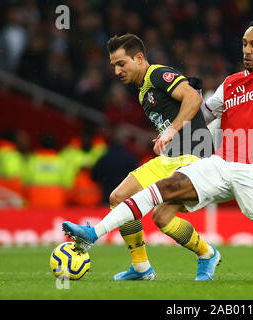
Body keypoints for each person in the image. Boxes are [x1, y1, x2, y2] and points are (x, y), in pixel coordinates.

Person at [63, 15, 253, 283]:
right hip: (220, 163)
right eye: (245, 44)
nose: (247, 50)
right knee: (162, 194)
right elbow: (204, 116)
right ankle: (95, 233)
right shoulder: (231, 83)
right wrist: (190, 99)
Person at [89, 33, 215, 281]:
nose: (116, 71)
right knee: (119, 197)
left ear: (138, 58)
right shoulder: (141, 91)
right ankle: (141, 267)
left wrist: (171, 130)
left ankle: (207, 254)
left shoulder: (157, 74)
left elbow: (193, 98)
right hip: (171, 158)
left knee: (161, 217)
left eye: (121, 63)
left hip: (194, 156)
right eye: (113, 65)